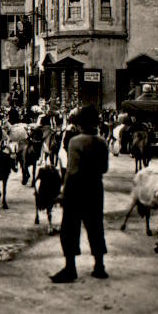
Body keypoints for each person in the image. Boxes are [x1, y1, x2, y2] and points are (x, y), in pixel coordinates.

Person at [51, 104, 109, 283]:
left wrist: (63, 191)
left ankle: (70, 268)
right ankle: (99, 266)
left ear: (79, 123)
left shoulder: (75, 142)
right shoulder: (102, 142)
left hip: (76, 190)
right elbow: (104, 168)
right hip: (95, 189)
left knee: (70, 228)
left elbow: (72, 171)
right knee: (95, 227)